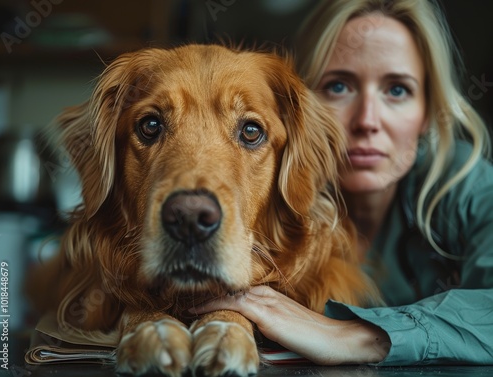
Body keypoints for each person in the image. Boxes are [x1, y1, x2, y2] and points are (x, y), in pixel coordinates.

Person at [192, 0, 493, 366]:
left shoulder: (462, 181)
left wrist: (354, 336)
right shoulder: (256, 190)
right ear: (298, 111)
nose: (367, 120)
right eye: (339, 86)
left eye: (397, 90)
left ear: (427, 113)